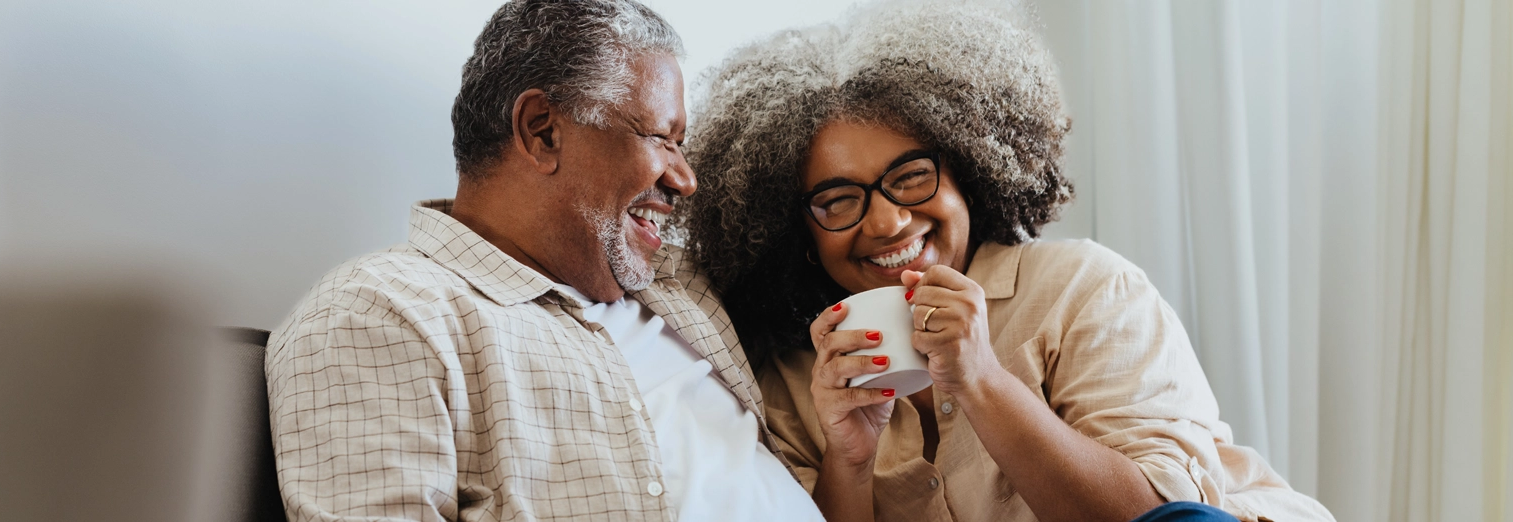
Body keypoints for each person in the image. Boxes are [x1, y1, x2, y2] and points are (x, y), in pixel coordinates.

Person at [676, 1, 1337, 521]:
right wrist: (848, 461)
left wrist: (981, 380)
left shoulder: (1083, 290)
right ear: (799, 229)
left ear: (967, 171)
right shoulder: (794, 383)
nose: (886, 221)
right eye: (837, 199)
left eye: (911, 176)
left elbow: (1160, 518)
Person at [264, 1, 823, 520]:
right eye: (661, 138)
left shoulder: (683, 285)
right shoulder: (381, 314)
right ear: (543, 131)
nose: (685, 179)